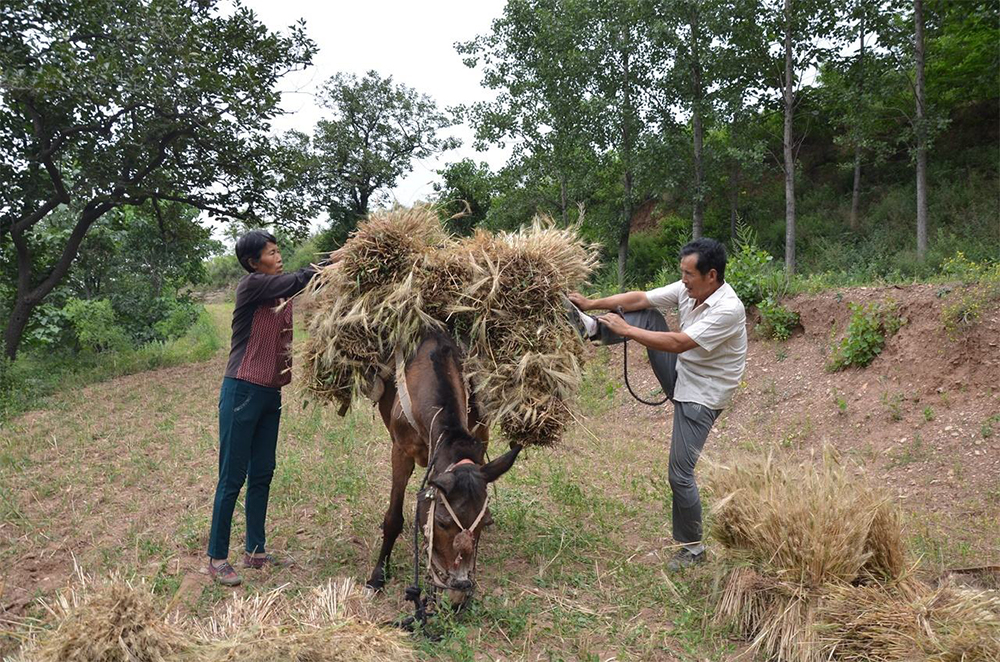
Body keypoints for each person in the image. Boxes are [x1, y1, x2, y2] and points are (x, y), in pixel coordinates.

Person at [566, 237, 746, 570]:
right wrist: (591, 304)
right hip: (683, 372)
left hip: (702, 394)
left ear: (712, 275)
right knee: (646, 313)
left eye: (689, 274)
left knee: (680, 475)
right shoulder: (689, 290)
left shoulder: (728, 309)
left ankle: (693, 550)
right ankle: (591, 330)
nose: (683, 280)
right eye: (682, 273)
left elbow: (679, 342)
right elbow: (640, 298)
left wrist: (627, 331)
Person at [206, 230, 341, 586]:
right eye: (271, 253)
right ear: (254, 263)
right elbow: (299, 279)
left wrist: (337, 263)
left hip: (270, 394)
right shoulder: (252, 285)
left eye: (278, 251)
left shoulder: (278, 289)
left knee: (262, 473)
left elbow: (304, 285)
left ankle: (255, 550)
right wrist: (328, 262)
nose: (278, 257)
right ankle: (217, 557)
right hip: (243, 391)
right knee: (232, 478)